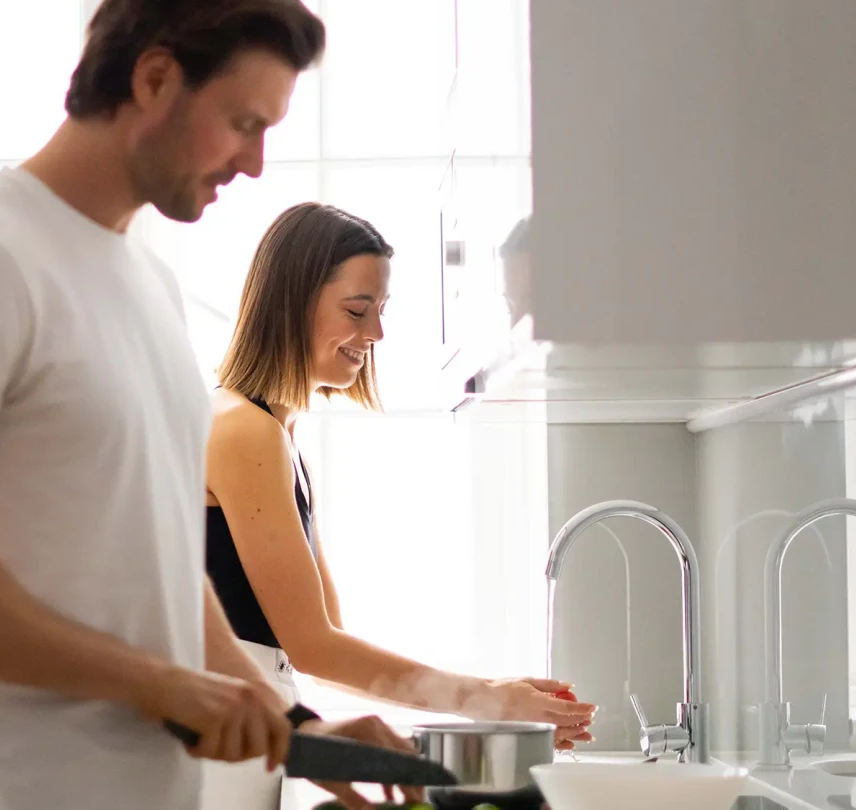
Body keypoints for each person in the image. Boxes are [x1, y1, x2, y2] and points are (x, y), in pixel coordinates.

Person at [0, 3, 414, 810]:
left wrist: (293, 726)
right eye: (242, 122)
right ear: (154, 78)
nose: (254, 163)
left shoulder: (149, 286)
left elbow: (160, 570)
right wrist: (162, 684)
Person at [203, 202, 597, 773]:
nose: (377, 333)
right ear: (291, 304)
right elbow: (313, 646)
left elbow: (326, 640)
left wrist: (494, 692)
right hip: (220, 744)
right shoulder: (243, 430)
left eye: (380, 310)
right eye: (358, 310)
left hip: (249, 734)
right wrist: (486, 701)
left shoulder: (278, 435)